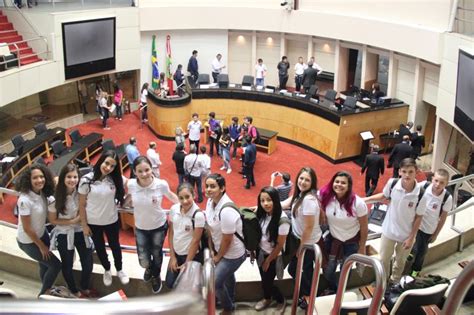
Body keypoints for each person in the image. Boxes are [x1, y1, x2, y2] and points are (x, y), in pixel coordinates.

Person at [363, 158, 426, 284]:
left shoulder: (421, 193)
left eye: (411, 172)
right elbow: (384, 196)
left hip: (406, 234)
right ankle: (383, 281)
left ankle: (394, 280)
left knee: (400, 261)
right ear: (400, 172)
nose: (407, 175)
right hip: (389, 231)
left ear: (416, 172)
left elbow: (419, 217)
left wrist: (411, 237)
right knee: (384, 259)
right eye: (404, 171)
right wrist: (365, 200)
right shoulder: (392, 184)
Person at [126, 156, 179, 293]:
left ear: (151, 169)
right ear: (135, 171)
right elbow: (128, 199)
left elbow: (171, 196)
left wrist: (186, 206)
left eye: (147, 170)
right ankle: (148, 268)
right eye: (140, 171)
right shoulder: (131, 184)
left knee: (156, 254)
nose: (144, 174)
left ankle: (156, 275)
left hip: (158, 227)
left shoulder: (161, 184)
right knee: (143, 258)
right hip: (140, 227)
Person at [78, 150, 129, 287]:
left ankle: (119, 269)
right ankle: (107, 269)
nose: (108, 168)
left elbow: (131, 184)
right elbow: (81, 205)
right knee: (100, 248)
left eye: (112, 166)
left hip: (111, 220)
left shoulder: (115, 178)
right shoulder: (86, 180)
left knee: (115, 246)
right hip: (93, 222)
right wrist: (84, 225)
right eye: (106, 163)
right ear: (101, 161)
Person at [48, 164, 94, 298]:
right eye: (69, 177)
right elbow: (53, 220)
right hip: (64, 231)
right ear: (63, 178)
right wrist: (72, 221)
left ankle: (84, 286)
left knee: (87, 262)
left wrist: (80, 221)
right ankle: (74, 290)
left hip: (80, 229)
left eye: (75, 177)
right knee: (67, 264)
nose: (72, 180)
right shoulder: (55, 198)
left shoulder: (81, 193)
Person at [16, 164, 61, 297]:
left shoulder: (41, 193)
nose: (40, 180)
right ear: (28, 180)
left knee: (44, 265)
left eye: (42, 177)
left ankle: (46, 287)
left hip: (42, 234)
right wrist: (41, 246)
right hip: (29, 241)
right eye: (35, 178)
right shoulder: (24, 200)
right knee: (55, 265)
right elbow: (27, 228)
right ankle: (43, 294)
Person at [320, 171, 368, 295]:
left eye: (343, 183)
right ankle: (334, 287)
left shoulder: (358, 203)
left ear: (349, 186)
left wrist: (362, 247)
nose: (339, 185)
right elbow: (312, 197)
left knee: (345, 271)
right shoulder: (327, 197)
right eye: (337, 182)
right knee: (328, 270)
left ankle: (340, 292)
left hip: (351, 243)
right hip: (333, 240)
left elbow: (364, 227)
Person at [281, 166, 322, 310]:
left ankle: (309, 295)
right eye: (301, 178)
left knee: (304, 270)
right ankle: (306, 292)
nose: (303, 182)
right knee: (295, 269)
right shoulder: (301, 195)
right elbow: (285, 203)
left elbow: (309, 227)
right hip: (299, 239)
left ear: (312, 182)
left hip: (308, 243)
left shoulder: (309, 200)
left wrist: (301, 248)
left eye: (307, 180)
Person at [204, 173, 246, 315]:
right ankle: (231, 299)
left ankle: (228, 308)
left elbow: (228, 239)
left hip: (233, 254)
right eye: (207, 186)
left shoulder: (226, 210)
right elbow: (210, 228)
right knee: (227, 277)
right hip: (220, 249)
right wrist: (211, 249)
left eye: (213, 186)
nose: (208, 189)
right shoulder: (210, 202)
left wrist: (218, 257)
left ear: (222, 188)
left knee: (215, 283)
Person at [408, 169, 453, 277]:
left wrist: (436, 234)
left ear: (446, 183)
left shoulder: (447, 197)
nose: (438, 184)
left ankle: (415, 271)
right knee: (412, 246)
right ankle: (410, 255)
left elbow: (443, 218)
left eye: (442, 182)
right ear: (432, 179)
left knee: (421, 252)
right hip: (415, 224)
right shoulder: (424, 185)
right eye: (436, 180)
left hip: (428, 229)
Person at [254, 186, 289, 313]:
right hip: (261, 253)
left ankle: (280, 300)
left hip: (273, 256)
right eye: (262, 201)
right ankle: (267, 298)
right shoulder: (263, 213)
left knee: (268, 281)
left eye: (269, 200)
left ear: (275, 200)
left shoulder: (282, 220)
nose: (265, 204)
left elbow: (279, 245)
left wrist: (268, 260)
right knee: (264, 279)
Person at [165, 182, 205, 288]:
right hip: (177, 255)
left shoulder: (198, 215)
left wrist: (187, 263)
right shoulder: (174, 209)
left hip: (192, 256)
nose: (185, 201)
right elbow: (171, 232)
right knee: (170, 283)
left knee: (189, 286)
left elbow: (196, 241)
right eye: (181, 198)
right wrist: (173, 257)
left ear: (194, 195)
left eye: (187, 197)